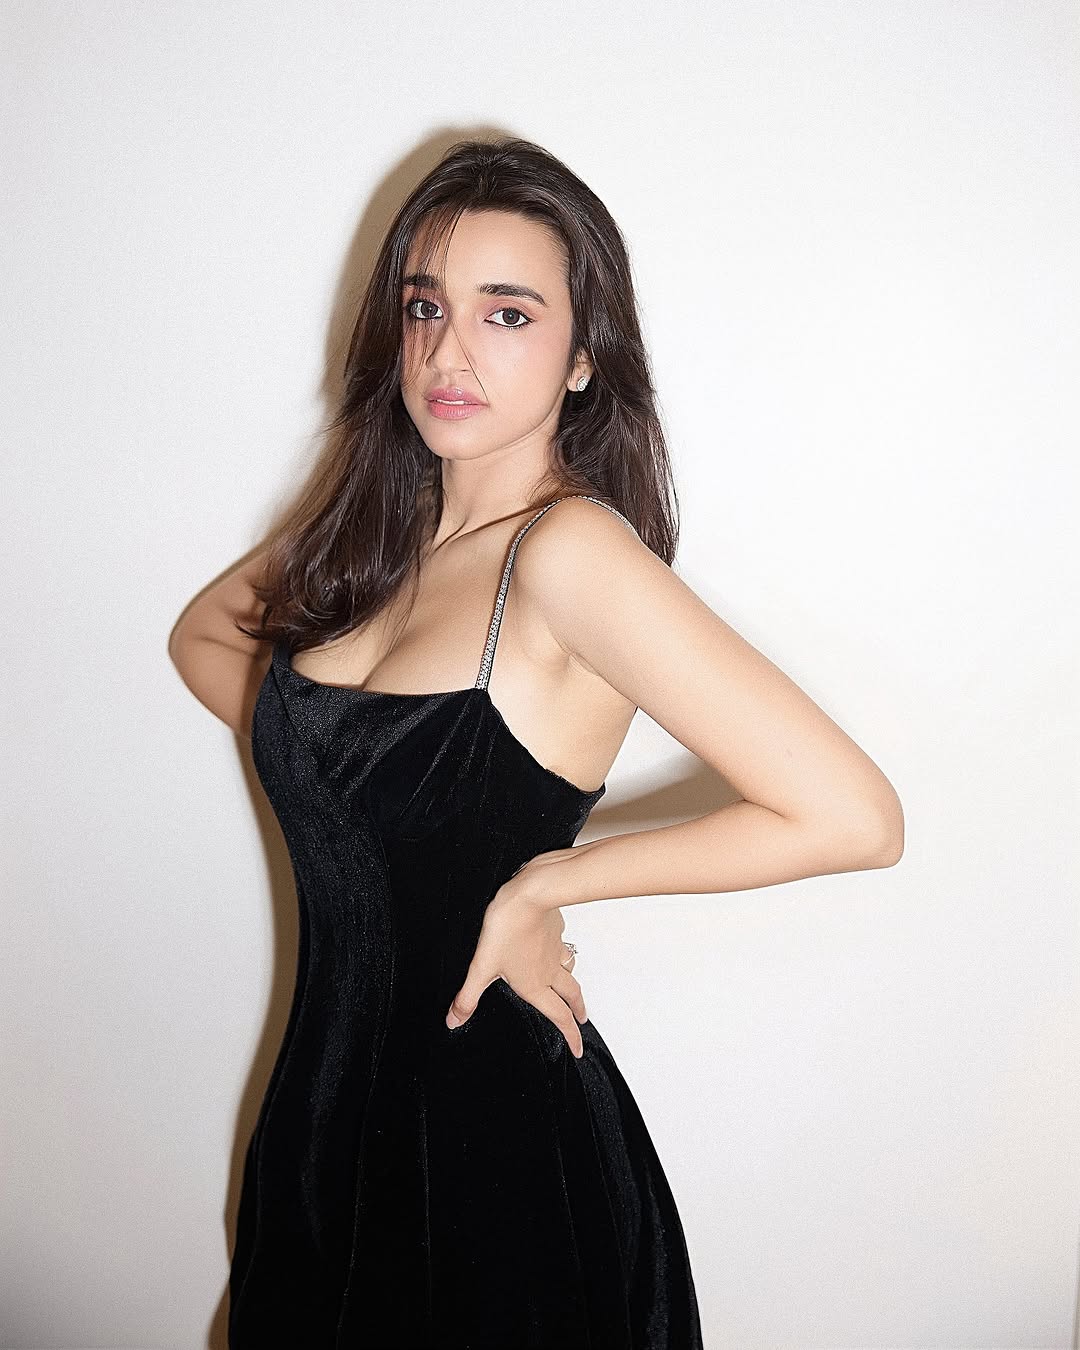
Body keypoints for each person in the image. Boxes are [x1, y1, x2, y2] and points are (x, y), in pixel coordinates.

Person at [170, 135, 904, 1348]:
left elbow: (853, 816)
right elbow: (206, 641)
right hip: (318, 1124)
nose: (447, 352)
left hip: (490, 1152)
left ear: (583, 357)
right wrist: (338, 784)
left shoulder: (569, 556)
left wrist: (549, 882)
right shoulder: (381, 531)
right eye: (425, 307)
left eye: (507, 314)